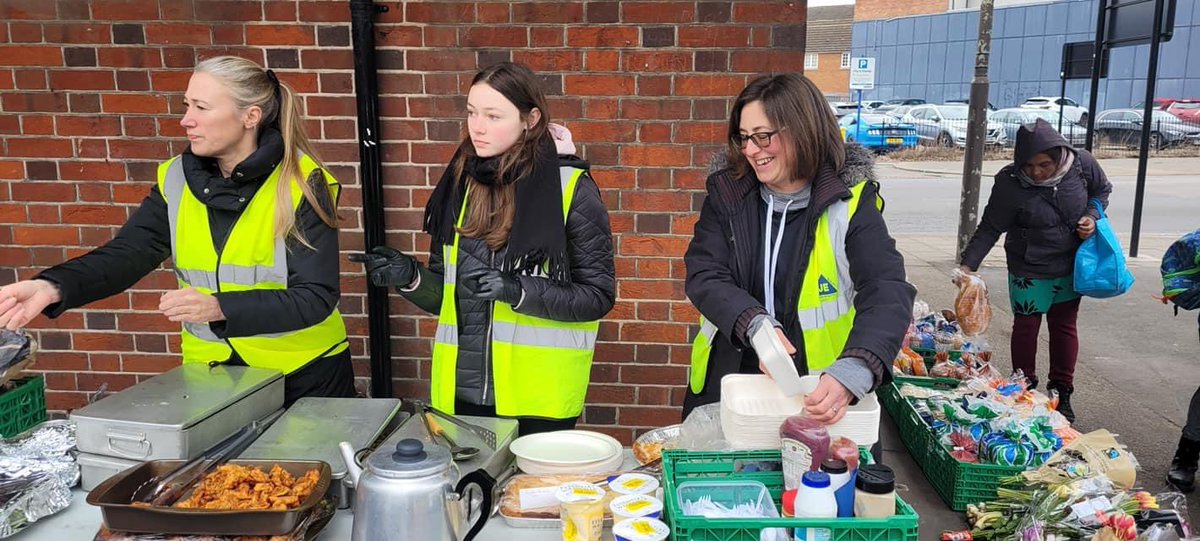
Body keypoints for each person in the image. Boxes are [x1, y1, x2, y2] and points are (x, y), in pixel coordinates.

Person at [0, 56, 354, 406]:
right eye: (187, 105)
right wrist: (52, 286)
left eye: (201, 107)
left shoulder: (301, 183)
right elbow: (127, 254)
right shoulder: (176, 180)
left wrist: (219, 307)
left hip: (306, 375)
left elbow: (315, 296)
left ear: (250, 116)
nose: (186, 120)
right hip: (215, 376)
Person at [354, 62, 614, 436]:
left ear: (531, 119)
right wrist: (410, 278)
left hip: (539, 400)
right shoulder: (460, 181)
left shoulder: (571, 189)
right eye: (472, 112)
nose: (477, 127)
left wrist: (516, 290)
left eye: (493, 115)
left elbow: (597, 296)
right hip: (462, 396)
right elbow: (449, 294)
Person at [683, 73, 916, 423]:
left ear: (801, 129)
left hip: (821, 391)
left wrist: (856, 367)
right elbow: (705, 274)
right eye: (744, 138)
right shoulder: (728, 194)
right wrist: (755, 324)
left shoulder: (850, 203)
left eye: (762, 137)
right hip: (731, 384)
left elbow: (887, 290)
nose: (750, 150)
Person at [959, 118, 1113, 423]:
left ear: (1058, 156)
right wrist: (967, 265)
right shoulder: (1010, 182)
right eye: (1029, 166)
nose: (1036, 172)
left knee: (1064, 326)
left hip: (1069, 264)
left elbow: (1102, 192)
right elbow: (991, 226)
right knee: (1026, 327)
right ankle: (1023, 386)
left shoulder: (1081, 165)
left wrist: (1092, 216)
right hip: (1027, 266)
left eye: (1043, 164)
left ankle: (1062, 392)